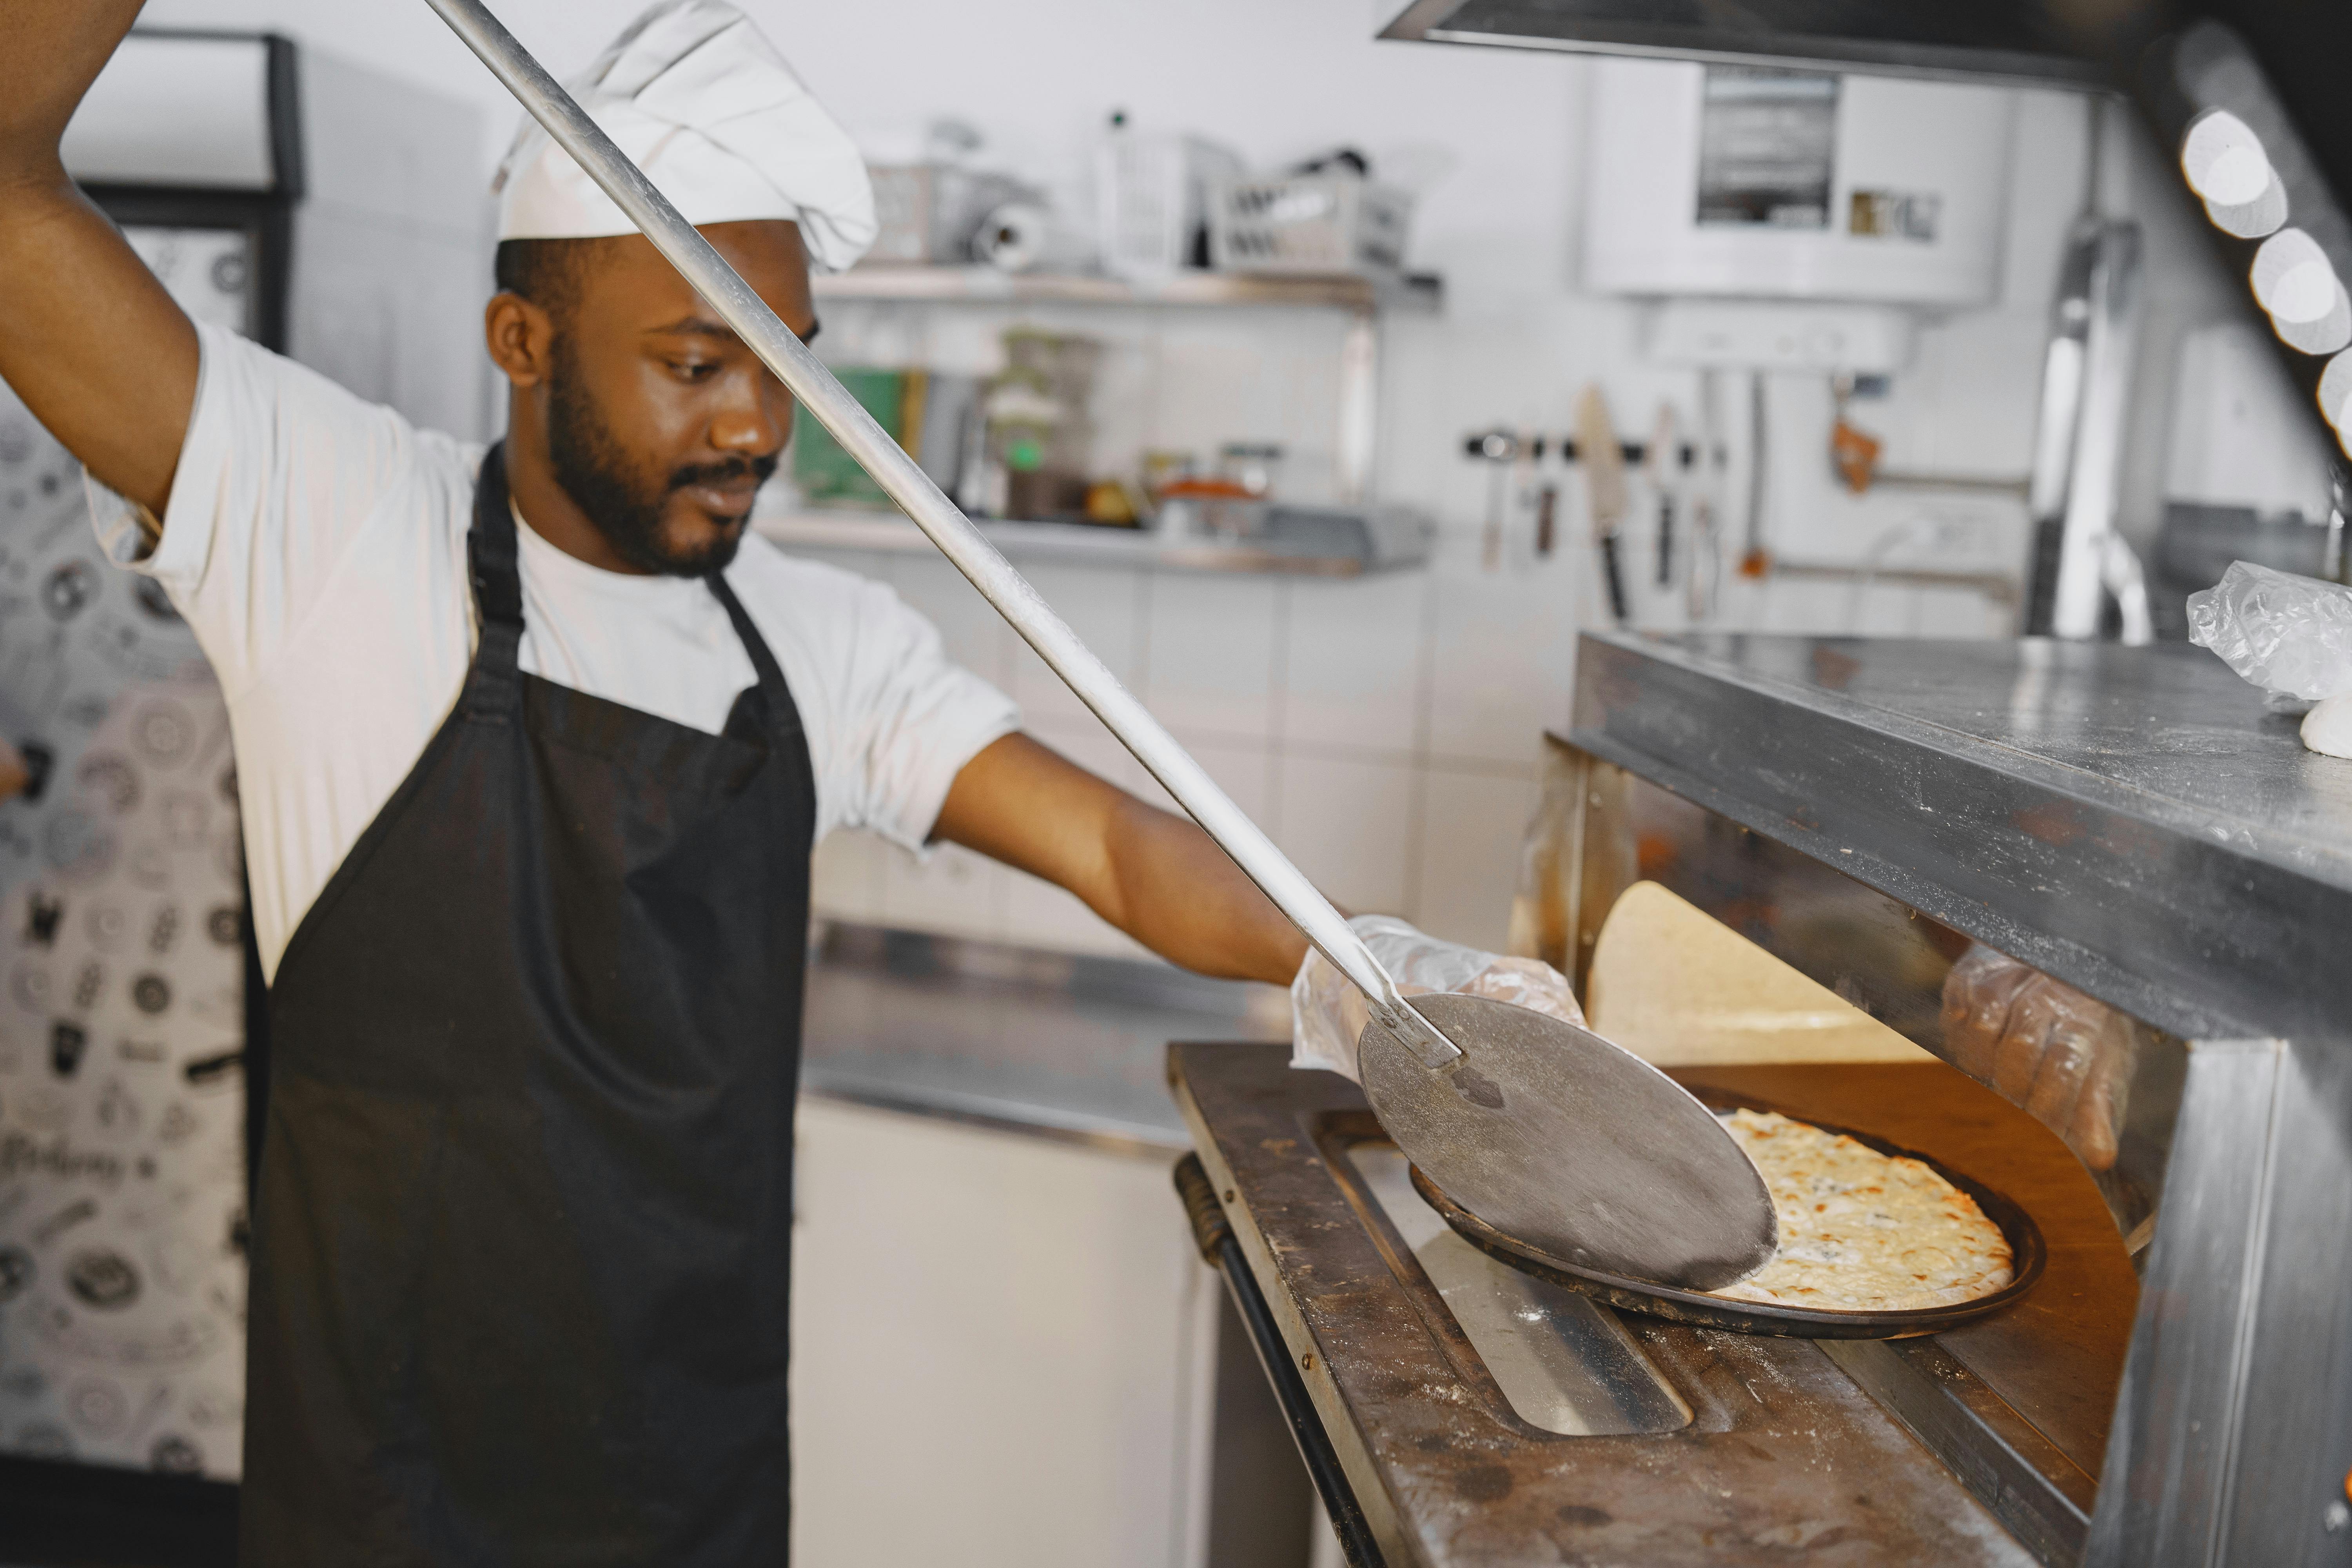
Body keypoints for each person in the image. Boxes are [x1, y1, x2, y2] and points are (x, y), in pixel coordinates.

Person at [0, 2, 1571, 1560]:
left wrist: (1359, 966)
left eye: (784, 366)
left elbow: (1107, 842)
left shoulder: (819, 638)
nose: (759, 424)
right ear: (523, 342)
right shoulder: (333, 533)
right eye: (696, 362)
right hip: (393, 1501)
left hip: (694, 1481)